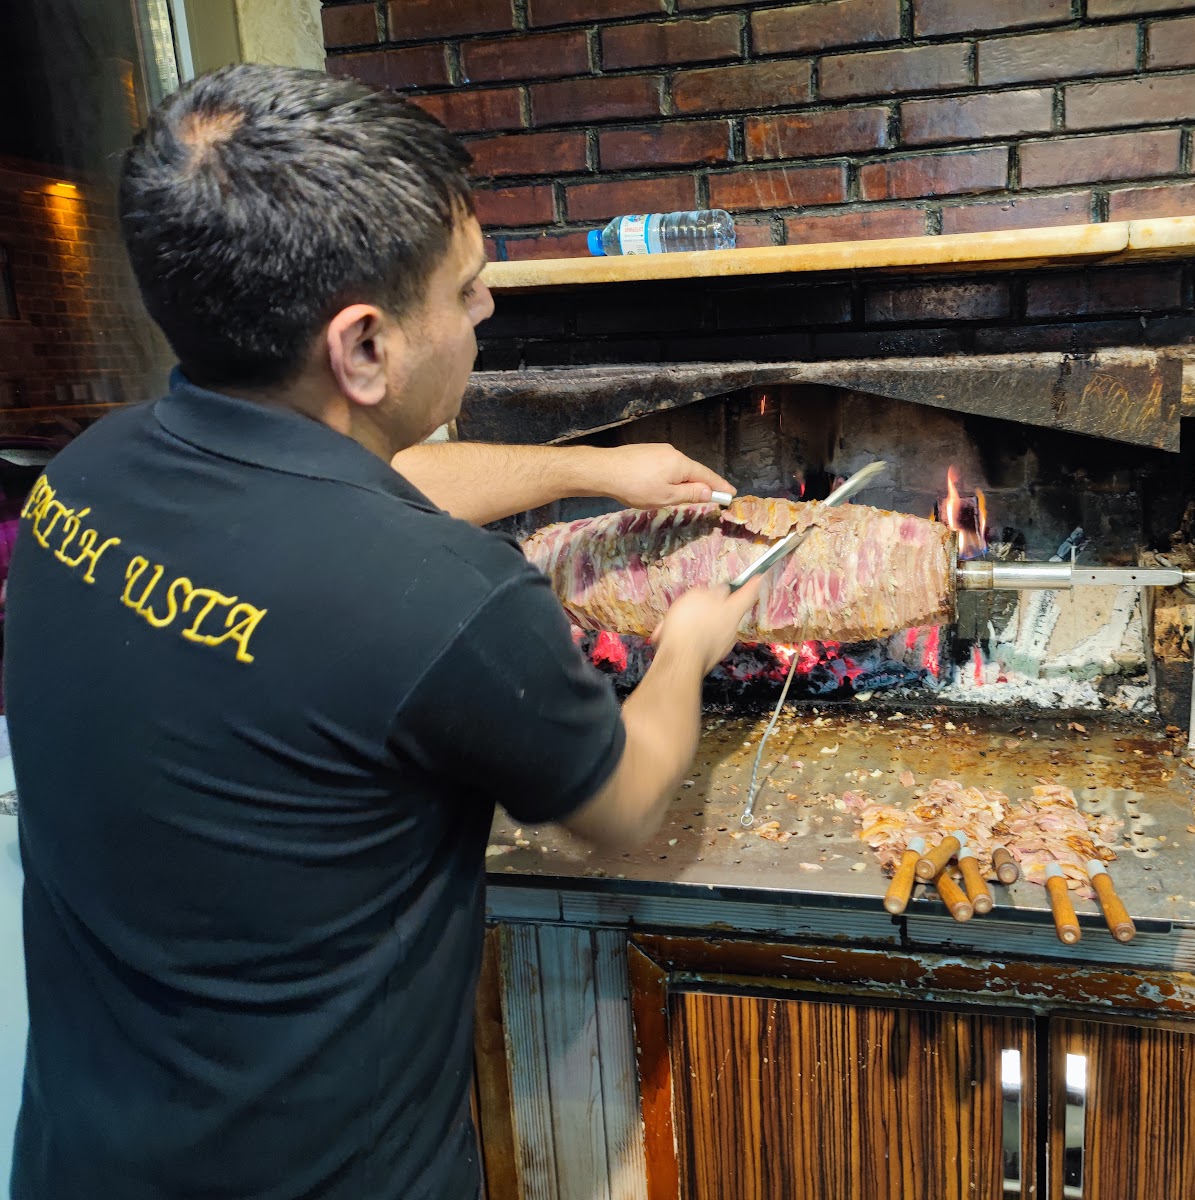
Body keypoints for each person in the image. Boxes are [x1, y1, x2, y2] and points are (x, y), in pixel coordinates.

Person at [6, 63, 759, 1200]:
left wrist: (595, 467)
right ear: (363, 347)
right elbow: (622, 802)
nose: (488, 309)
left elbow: (349, 497)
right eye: (466, 293)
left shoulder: (83, 478)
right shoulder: (453, 601)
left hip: (79, 1160)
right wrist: (694, 637)